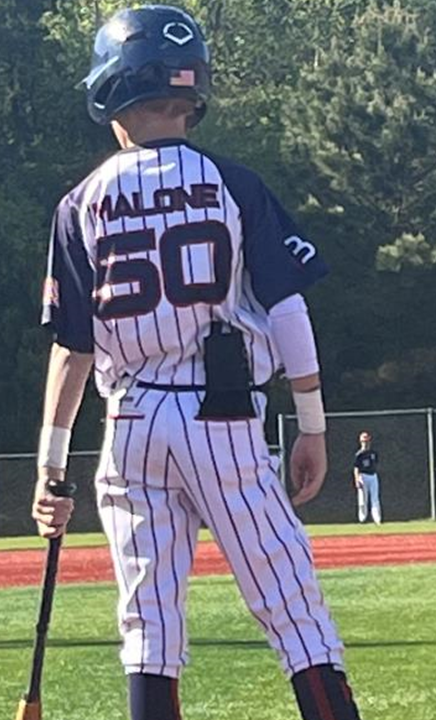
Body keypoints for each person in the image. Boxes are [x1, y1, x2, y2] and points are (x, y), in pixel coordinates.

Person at [32, 6, 363, 720]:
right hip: (220, 411)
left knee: (149, 621)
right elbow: (287, 311)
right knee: (290, 602)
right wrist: (312, 424)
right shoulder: (233, 183)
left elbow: (73, 347)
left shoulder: (80, 203)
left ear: (113, 90)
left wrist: (50, 468)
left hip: (129, 420)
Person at [353, 431, 382, 525]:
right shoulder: (359, 454)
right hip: (363, 476)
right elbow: (356, 468)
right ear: (360, 442)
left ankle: (377, 519)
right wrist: (357, 479)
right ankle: (362, 519)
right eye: (363, 441)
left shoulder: (373, 453)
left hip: (373, 476)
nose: (365, 443)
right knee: (362, 499)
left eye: (367, 441)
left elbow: (375, 464)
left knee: (375, 498)